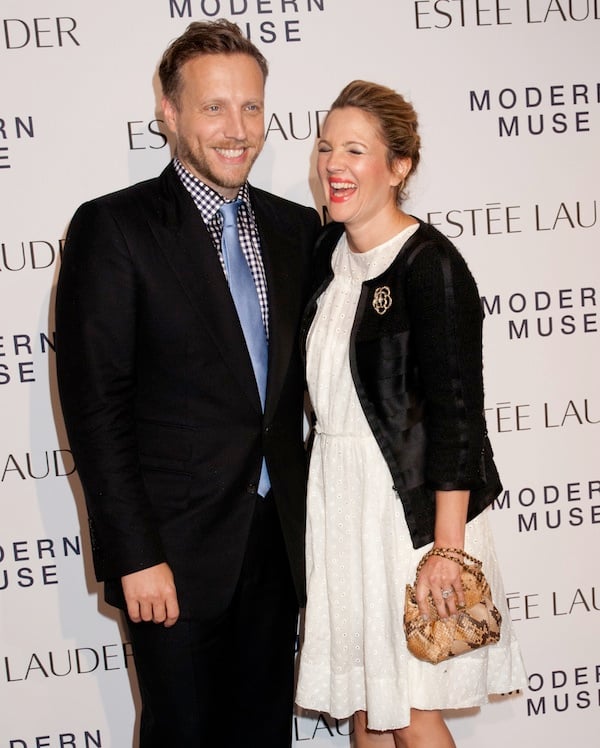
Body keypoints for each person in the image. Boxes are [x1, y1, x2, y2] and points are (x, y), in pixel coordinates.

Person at [55, 20, 320, 747]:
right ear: (168, 114)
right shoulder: (115, 229)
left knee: (265, 734)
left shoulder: (298, 228)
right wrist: (135, 554)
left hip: (277, 547)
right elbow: (96, 408)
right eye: (213, 107)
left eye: (252, 107)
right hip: (170, 553)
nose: (237, 130)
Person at [295, 80, 527, 747]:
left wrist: (445, 551)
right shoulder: (325, 253)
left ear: (399, 168)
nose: (333, 164)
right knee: (369, 704)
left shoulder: (432, 266)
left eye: (355, 150)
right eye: (325, 147)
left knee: (414, 712)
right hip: (341, 507)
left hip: (412, 517)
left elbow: (459, 416)